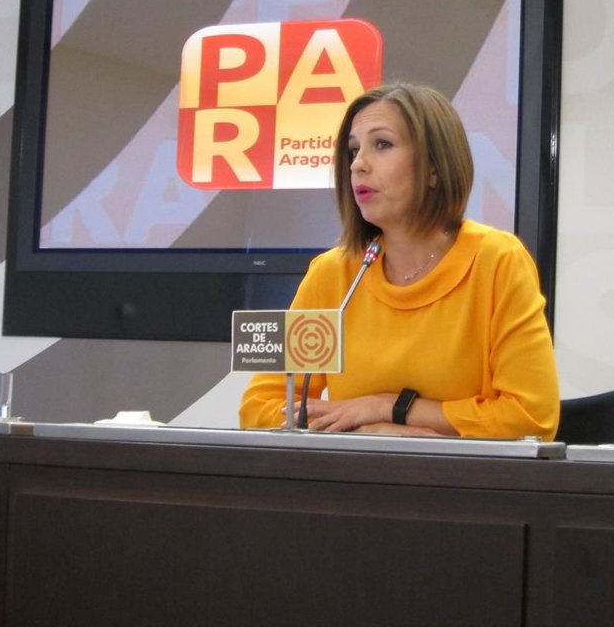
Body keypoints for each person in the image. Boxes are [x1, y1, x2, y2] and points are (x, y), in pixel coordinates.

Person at [238, 82, 559, 440]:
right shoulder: (333, 273)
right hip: (355, 472)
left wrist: (391, 408)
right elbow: (261, 406)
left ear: (435, 167)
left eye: (382, 144)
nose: (358, 165)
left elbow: (531, 418)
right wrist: (363, 432)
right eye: (353, 150)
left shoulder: (497, 261)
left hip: (462, 475)